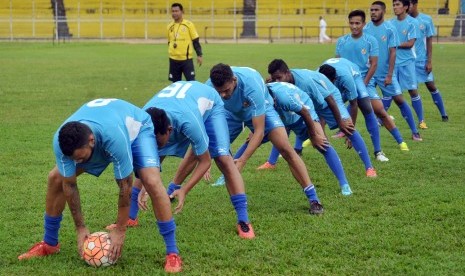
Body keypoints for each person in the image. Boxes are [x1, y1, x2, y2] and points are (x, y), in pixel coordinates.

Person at [18, 99, 182, 273]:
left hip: (137, 131)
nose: (77, 163)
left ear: (91, 141)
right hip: (101, 131)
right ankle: (49, 243)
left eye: (80, 159)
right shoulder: (61, 142)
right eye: (74, 159)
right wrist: (80, 228)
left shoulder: (114, 138)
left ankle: (172, 253)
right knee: (55, 178)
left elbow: (125, 187)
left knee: (151, 181)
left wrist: (120, 229)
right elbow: (70, 184)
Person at [107, 81, 255, 239]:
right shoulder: (143, 121)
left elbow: (204, 161)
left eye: (157, 141)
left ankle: (243, 221)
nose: (154, 146)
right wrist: (145, 184)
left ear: (169, 130)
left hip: (209, 106)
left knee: (222, 157)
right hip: (179, 104)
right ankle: (131, 217)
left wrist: (185, 189)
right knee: (148, 157)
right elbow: (145, 161)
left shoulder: (188, 122)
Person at [207, 64, 324, 215]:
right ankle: (172, 190)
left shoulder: (251, 85)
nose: (223, 95)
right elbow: (205, 126)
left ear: (234, 80)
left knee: (285, 149)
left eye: (226, 90)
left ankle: (314, 199)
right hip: (231, 113)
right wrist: (207, 157)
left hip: (262, 110)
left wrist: (242, 160)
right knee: (216, 150)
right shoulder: (209, 87)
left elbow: (259, 131)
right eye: (219, 92)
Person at [257, 59, 377, 178]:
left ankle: (369, 168)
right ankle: (271, 162)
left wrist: (340, 122)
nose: (277, 81)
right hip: (309, 104)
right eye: (274, 78)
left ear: (288, 73)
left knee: (348, 127)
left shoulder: (306, 81)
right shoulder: (282, 82)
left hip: (329, 99)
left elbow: (330, 99)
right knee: (285, 124)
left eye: (278, 78)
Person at [335, 9, 411, 156]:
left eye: (358, 23)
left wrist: (363, 83)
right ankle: (305, 142)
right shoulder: (342, 41)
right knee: (326, 106)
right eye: (351, 23)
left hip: (365, 82)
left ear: (364, 24)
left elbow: (374, 64)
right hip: (345, 83)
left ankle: (399, 142)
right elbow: (338, 64)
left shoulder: (370, 40)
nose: (354, 26)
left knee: (380, 111)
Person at [365, 1, 422, 142]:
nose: (373, 12)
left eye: (376, 10)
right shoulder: (366, 28)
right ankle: (344, 130)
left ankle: (415, 132)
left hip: (385, 73)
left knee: (399, 100)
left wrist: (390, 74)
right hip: (369, 73)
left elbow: (393, 53)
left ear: (383, 11)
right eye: (371, 10)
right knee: (355, 97)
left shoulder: (390, 29)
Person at [387, 0, 427, 130]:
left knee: (412, 91)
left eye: (397, 5)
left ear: (405, 7)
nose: (395, 7)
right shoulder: (390, 23)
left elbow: (410, 43)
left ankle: (421, 120)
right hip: (392, 63)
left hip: (407, 62)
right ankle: (380, 119)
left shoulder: (413, 22)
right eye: (393, 5)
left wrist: (393, 44)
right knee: (389, 91)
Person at [408, 0, 448, 122]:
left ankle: (444, 114)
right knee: (411, 90)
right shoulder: (402, 21)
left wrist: (429, 61)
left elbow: (429, 41)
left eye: (408, 4)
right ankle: (421, 120)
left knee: (431, 86)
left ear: (415, 4)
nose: (406, 7)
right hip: (407, 62)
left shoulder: (426, 19)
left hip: (421, 61)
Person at [167, 3, 203, 82]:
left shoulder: (189, 25)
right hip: (173, 60)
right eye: (173, 11)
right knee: (175, 84)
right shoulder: (169, 26)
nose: (174, 13)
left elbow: (195, 41)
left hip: (186, 60)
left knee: (191, 82)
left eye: (176, 11)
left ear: (182, 11)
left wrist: (199, 55)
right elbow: (170, 42)